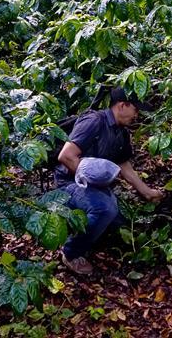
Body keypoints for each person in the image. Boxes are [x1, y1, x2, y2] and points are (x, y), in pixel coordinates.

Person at [56, 87, 164, 274]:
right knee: (105, 208)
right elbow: (66, 156)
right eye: (135, 110)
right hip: (69, 184)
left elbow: (123, 164)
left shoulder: (121, 132)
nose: (137, 115)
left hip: (93, 186)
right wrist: (92, 180)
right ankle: (71, 253)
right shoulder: (93, 122)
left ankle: (89, 230)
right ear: (123, 105)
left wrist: (146, 192)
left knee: (120, 223)